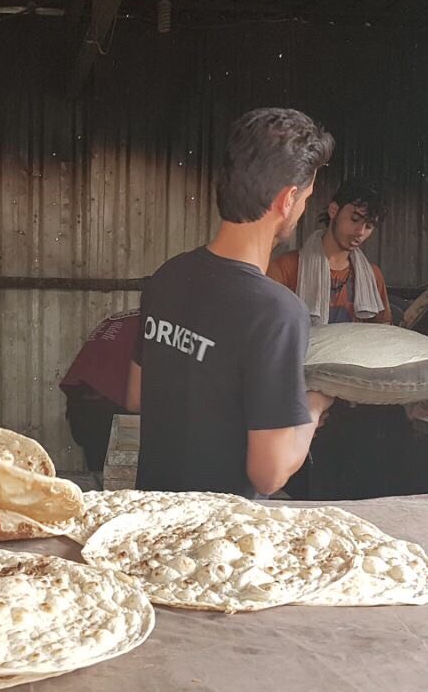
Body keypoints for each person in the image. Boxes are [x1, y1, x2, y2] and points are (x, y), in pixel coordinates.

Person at [126, 108, 334, 497]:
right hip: (216, 539)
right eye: (306, 198)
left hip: (152, 521)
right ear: (288, 200)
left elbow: (136, 397)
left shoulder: (167, 277)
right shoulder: (277, 313)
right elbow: (268, 474)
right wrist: (315, 406)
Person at [267, 178, 392, 324]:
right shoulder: (286, 269)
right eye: (354, 219)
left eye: (369, 226)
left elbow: (383, 332)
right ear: (333, 210)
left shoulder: (372, 276)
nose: (360, 232)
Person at [59, 310, 140, 471]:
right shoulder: (153, 326)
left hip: (82, 407)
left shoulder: (126, 318)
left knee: (101, 478)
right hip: (105, 411)